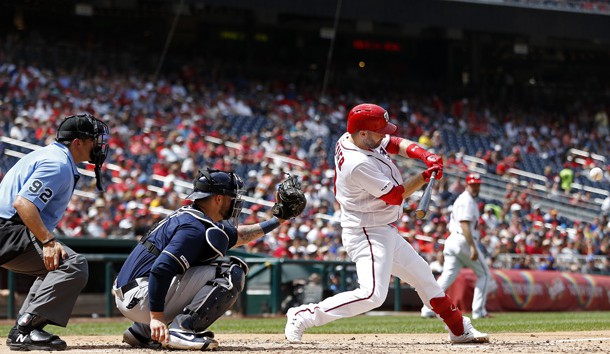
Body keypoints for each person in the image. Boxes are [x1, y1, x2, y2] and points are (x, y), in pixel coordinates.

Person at [284, 103, 489, 344]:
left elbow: (393, 143)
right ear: (362, 133)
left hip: (381, 228)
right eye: (378, 131)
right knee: (372, 294)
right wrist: (425, 176)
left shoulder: (354, 136)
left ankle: (458, 328)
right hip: (366, 231)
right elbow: (395, 196)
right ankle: (303, 315)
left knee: (424, 277)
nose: (384, 134)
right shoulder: (356, 162)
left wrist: (424, 155)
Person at [114, 169, 291, 350]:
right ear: (218, 199)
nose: (235, 202)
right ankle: (181, 329)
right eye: (231, 197)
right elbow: (161, 269)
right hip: (141, 297)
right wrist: (157, 317)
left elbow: (240, 236)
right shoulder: (195, 228)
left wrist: (279, 220)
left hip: (131, 293)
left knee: (197, 265)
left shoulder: (192, 216)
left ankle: (142, 331)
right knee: (231, 272)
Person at [0, 114, 110, 351]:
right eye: (94, 140)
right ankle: (26, 330)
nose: (99, 146)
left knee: (54, 267)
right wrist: (48, 241)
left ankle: (24, 328)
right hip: (7, 228)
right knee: (73, 265)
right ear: (77, 143)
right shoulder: (57, 163)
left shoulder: (52, 156)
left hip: (8, 227)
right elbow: (24, 204)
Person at [421, 173, 491, 320]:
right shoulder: (467, 201)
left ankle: (427, 309)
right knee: (484, 274)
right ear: (467, 185)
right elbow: (464, 223)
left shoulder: (464, 199)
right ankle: (479, 312)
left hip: (453, 240)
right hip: (462, 240)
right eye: (473, 184)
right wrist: (472, 246)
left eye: (478, 184)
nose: (476, 187)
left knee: (447, 276)